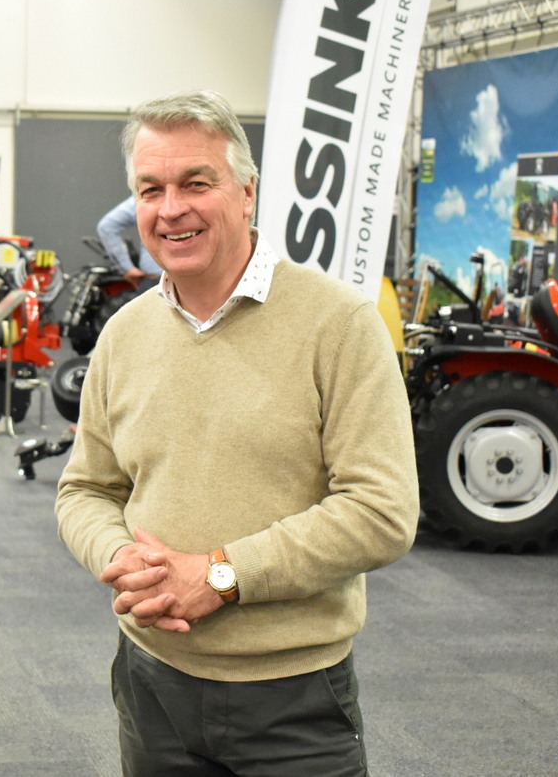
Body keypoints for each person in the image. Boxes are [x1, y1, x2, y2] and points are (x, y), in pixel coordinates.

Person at [55, 89, 418, 776]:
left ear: (246, 193)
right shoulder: (124, 333)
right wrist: (120, 556)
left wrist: (221, 576)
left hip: (293, 702)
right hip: (150, 685)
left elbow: (382, 512)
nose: (171, 209)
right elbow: (86, 490)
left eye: (197, 183)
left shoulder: (338, 324)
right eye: (151, 189)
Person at [96, 193, 161, 284]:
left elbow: (106, 227)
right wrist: (128, 268)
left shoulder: (145, 196)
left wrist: (127, 268)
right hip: (156, 279)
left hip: (155, 278)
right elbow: (106, 227)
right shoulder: (143, 197)